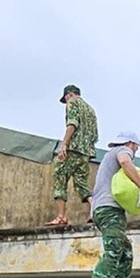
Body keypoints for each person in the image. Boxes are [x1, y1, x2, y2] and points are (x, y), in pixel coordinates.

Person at [81, 132, 140, 278]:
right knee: (114, 250)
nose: (136, 151)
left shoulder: (108, 161)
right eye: (137, 147)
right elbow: (126, 161)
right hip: (110, 210)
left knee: (125, 249)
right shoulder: (123, 150)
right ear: (132, 143)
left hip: (102, 209)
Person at [46, 84, 99, 227]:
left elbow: (72, 124)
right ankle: (95, 209)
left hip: (74, 149)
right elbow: (95, 135)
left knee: (60, 177)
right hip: (86, 153)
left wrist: (64, 144)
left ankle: (61, 216)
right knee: (80, 182)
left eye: (65, 98)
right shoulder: (90, 110)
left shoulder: (72, 103)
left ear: (69, 94)